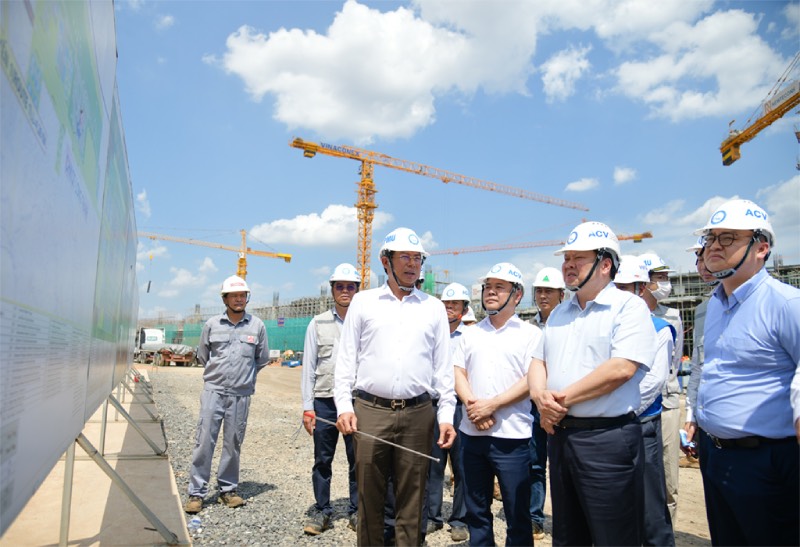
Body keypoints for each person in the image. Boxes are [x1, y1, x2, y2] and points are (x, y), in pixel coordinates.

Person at [528, 221, 656, 545]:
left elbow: (621, 369)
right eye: (566, 257)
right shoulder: (559, 314)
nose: (568, 265)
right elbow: (538, 361)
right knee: (569, 536)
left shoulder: (629, 308)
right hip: (560, 437)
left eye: (578, 258)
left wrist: (557, 401)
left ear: (605, 263)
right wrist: (540, 398)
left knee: (614, 536)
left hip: (607, 441)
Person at [334, 227, 457, 546]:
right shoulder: (363, 303)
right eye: (405, 257)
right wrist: (344, 406)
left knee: (412, 499)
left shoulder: (433, 308)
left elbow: (443, 369)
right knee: (370, 497)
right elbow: (346, 360)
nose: (412, 264)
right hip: (370, 412)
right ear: (385, 261)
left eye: (417, 258)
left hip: (419, 415)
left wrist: (445, 416)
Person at [691, 199, 799, 546]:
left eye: (728, 239)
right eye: (711, 238)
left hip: (766, 462)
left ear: (761, 248)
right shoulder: (715, 307)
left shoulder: (785, 304)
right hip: (716, 454)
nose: (714, 247)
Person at [454, 262, 541, 547]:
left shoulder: (531, 335)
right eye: (487, 287)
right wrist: (473, 405)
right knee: (477, 512)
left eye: (499, 287)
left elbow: (532, 379)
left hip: (512, 439)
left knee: (517, 514)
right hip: (472, 435)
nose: (490, 292)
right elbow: (457, 373)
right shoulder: (469, 333)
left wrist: (492, 405)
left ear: (517, 295)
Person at [184, 275, 269, 514]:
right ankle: (196, 493)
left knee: (233, 442)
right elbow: (203, 355)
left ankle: (227, 490)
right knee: (204, 442)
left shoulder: (257, 326)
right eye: (235, 296)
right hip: (214, 391)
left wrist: (244, 380)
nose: (239, 299)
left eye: (243, 295)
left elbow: (261, 359)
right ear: (225, 298)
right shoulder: (212, 325)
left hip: (240, 395)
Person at [614, 256, 675, 546]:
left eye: (625, 287)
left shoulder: (660, 328)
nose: (619, 293)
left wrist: (615, 410)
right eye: (616, 287)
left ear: (640, 289)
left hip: (642, 425)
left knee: (650, 506)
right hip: (612, 426)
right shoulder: (607, 324)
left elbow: (652, 383)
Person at [301, 263, 361, 535]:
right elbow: (308, 367)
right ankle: (322, 510)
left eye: (350, 286)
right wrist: (307, 408)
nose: (345, 291)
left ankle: (357, 511)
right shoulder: (318, 323)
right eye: (340, 286)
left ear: (358, 290)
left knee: (358, 460)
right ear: (332, 289)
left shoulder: (364, 322)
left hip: (356, 401)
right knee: (322, 459)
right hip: (324, 401)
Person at [639, 251, 683, 526]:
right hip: (634, 408)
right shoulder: (625, 313)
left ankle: (666, 533)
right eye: (660, 277)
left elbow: (673, 364)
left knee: (667, 479)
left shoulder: (672, 317)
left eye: (666, 277)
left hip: (665, 404)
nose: (665, 283)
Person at [427, 282, 471, 543]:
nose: (449, 309)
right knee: (433, 463)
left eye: (455, 305)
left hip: (460, 407)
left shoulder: (471, 337)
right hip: (433, 405)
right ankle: (432, 516)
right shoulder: (433, 334)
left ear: (465, 309)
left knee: (462, 466)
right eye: (446, 304)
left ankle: (460, 519)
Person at [528, 266, 565, 541]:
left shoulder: (570, 323)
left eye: (548, 291)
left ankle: (566, 519)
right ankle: (534, 517)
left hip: (565, 406)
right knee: (535, 464)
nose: (543, 296)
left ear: (561, 294)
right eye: (539, 290)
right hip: (534, 406)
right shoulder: (529, 328)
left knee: (565, 466)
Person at [680, 237, 717, 469]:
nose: (702, 265)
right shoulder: (702, 310)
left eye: (706, 257)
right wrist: (691, 417)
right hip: (708, 424)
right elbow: (696, 368)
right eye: (698, 259)